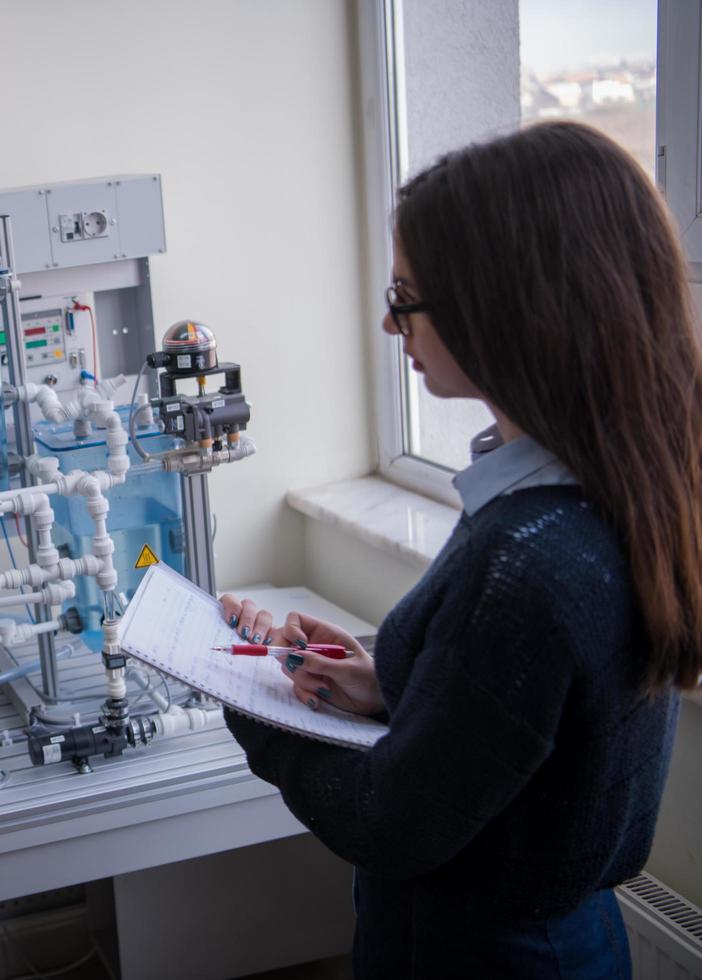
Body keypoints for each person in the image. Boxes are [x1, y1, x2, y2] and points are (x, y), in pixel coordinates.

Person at [220, 121, 700, 978]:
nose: (387, 320)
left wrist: (248, 699)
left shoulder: (528, 560)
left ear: (507, 307)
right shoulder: (604, 493)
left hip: (484, 954)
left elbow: (387, 822)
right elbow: (528, 731)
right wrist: (390, 685)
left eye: (406, 296)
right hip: (566, 933)